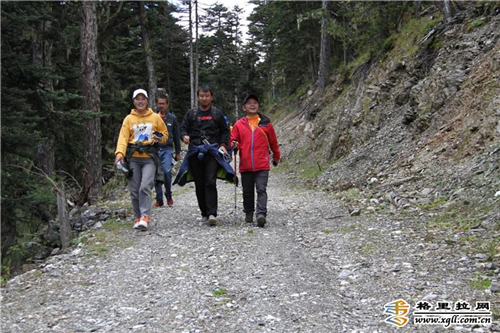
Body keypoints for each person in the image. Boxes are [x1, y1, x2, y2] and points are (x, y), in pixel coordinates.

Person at [175, 85, 233, 226]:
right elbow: (183, 128)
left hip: (212, 153)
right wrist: (184, 136)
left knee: (210, 182)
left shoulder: (217, 114)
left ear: (211, 97)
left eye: (207, 96)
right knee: (199, 184)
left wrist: (223, 145)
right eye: (202, 95)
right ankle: (204, 213)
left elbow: (225, 132)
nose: (204, 98)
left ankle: (212, 213)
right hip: (195, 152)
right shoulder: (191, 114)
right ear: (198, 97)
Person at [115, 88, 168, 231]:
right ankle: (137, 217)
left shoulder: (155, 117)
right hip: (133, 158)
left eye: (143, 99)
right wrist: (119, 154)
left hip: (149, 158)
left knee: (145, 186)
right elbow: (123, 137)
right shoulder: (128, 119)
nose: (140, 102)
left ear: (147, 101)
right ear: (133, 101)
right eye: (137, 99)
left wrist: (159, 137)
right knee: (134, 189)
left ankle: (145, 216)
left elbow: (164, 134)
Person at [230, 93, 280, 227]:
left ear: (258, 106)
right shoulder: (239, 124)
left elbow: (273, 142)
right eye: (249, 103)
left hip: (262, 164)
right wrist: (234, 144)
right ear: (244, 107)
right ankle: (249, 213)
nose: (252, 105)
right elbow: (234, 139)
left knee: (261, 189)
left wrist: (276, 156)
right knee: (247, 191)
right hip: (246, 164)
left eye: (255, 103)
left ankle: (261, 214)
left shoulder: (266, 123)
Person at [153, 94, 181, 207]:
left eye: (163, 103)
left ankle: (168, 194)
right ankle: (159, 199)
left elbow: (176, 134)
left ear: (167, 104)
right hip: (155, 149)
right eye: (159, 103)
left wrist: (178, 152)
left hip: (167, 149)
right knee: (156, 174)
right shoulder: (153, 117)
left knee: (166, 171)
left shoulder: (172, 118)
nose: (161, 105)